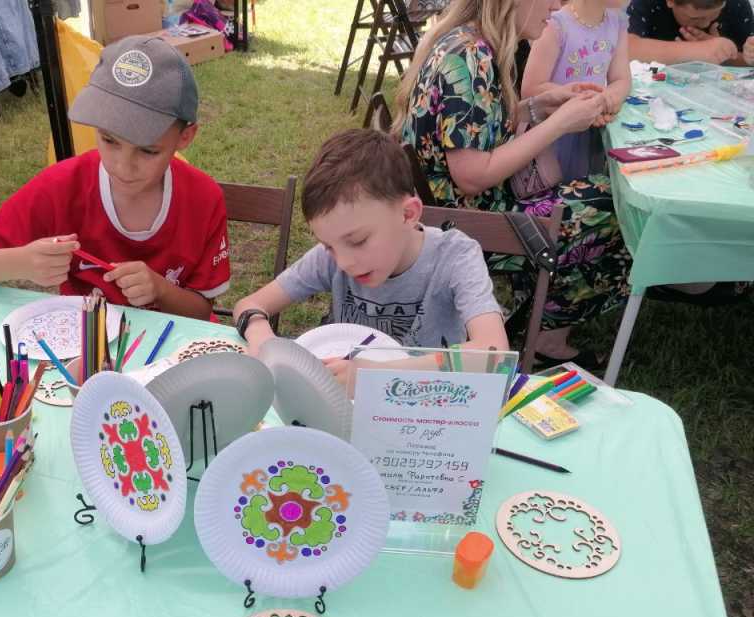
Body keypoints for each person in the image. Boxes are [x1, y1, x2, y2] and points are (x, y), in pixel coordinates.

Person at [394, 0, 631, 366]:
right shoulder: (470, 57)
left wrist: (538, 108)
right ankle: (541, 324)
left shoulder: (466, 43)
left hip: (454, 210)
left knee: (601, 194)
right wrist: (560, 123)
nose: (556, 8)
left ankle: (532, 311)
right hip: (465, 225)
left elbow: (477, 127)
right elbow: (472, 176)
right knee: (617, 209)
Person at [0, 35, 230, 321]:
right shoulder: (63, 185)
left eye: (148, 151)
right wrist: (22, 262)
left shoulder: (203, 197)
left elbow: (202, 310)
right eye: (109, 140)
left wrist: (161, 290)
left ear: (186, 136)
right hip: (88, 352)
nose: (123, 167)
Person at [233, 129, 508, 389]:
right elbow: (250, 304)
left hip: (423, 415)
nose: (343, 262)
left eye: (358, 241)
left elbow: (494, 354)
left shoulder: (455, 256)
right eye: (328, 246)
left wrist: (372, 376)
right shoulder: (333, 257)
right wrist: (262, 337)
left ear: (408, 214)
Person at [522, 0, 631, 180]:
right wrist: (582, 101)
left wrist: (607, 100)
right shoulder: (555, 25)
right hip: (553, 136)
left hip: (591, 131)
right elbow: (530, 90)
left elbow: (622, 79)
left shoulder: (617, 23)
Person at [627, 0, 754, 64]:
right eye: (695, 18)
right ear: (670, 1)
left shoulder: (736, 3)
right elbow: (626, 49)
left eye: (715, 14)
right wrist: (698, 50)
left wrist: (723, 54)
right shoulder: (648, 3)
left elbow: (747, 62)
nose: (705, 24)